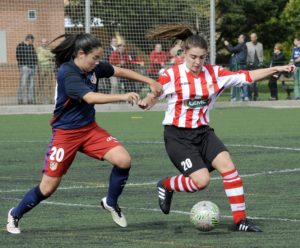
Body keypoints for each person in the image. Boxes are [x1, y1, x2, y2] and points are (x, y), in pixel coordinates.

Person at [139, 24, 295, 232]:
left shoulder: (215, 74)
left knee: (229, 168)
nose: (197, 61)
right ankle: (167, 185)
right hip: (178, 137)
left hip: (203, 133)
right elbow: (155, 92)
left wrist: (275, 68)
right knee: (201, 181)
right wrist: (148, 100)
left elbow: (246, 77)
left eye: (201, 57)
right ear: (184, 53)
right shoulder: (171, 75)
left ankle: (241, 220)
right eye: (193, 56)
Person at [6, 33, 162, 234]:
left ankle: (110, 202)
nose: (98, 63)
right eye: (94, 58)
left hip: (89, 130)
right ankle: (15, 214)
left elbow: (120, 70)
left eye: (99, 58)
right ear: (80, 54)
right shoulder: (67, 73)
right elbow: (89, 97)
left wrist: (150, 81)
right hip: (65, 135)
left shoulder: (94, 67)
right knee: (47, 188)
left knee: (123, 160)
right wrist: (122, 96)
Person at [224, 34, 248, 101]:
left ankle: (235, 97)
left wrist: (227, 44)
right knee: (242, 80)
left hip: (238, 65)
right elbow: (234, 49)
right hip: (238, 65)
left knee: (236, 80)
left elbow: (232, 49)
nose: (238, 38)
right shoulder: (241, 46)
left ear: (243, 39)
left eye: (239, 37)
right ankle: (244, 96)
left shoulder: (242, 45)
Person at [16, 34, 38, 104]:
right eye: (32, 40)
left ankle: (30, 99)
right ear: (28, 39)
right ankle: (20, 99)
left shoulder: (31, 46)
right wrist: (22, 65)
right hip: (25, 67)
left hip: (32, 67)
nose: (33, 42)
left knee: (31, 85)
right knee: (23, 84)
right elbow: (18, 57)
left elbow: (34, 56)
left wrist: (35, 64)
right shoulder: (20, 46)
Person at [36, 38, 55, 104]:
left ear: (47, 43)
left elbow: (53, 56)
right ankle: (39, 100)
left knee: (49, 84)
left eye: (45, 42)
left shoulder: (49, 49)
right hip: (42, 67)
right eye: (43, 42)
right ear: (41, 43)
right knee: (41, 84)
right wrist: (48, 56)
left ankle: (50, 99)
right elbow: (40, 58)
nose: (44, 43)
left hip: (49, 67)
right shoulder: (38, 49)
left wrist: (47, 55)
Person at [246, 33, 263, 101]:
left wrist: (261, 63)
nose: (252, 39)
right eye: (251, 37)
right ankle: (249, 95)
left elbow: (261, 55)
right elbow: (246, 54)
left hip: (257, 65)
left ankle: (256, 96)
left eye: (253, 37)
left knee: (256, 82)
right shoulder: (247, 44)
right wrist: (248, 62)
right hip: (249, 65)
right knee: (250, 81)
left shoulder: (260, 45)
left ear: (256, 37)